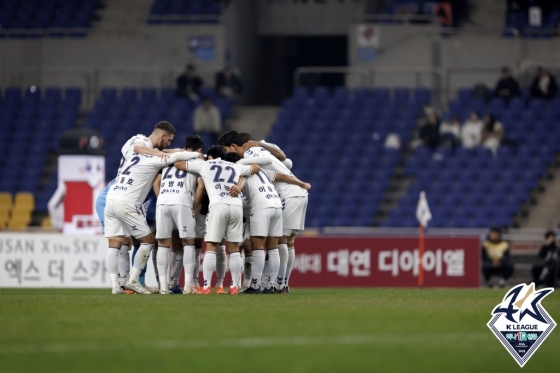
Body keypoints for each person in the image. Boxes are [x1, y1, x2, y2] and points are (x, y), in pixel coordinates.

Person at [104, 122, 200, 294]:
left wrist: (167, 151)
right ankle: (133, 280)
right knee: (148, 241)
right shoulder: (155, 160)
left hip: (111, 199)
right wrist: (198, 155)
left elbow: (141, 149)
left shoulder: (129, 151)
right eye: (169, 140)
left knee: (114, 245)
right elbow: (175, 158)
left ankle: (115, 286)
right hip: (126, 203)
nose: (169, 144)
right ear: (162, 137)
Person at [219, 130, 309, 294]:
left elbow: (271, 160)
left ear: (233, 146)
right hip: (287, 195)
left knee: (271, 243)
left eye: (226, 150)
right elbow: (285, 162)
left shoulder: (248, 158)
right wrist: (302, 184)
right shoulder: (258, 161)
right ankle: (277, 284)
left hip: (284, 196)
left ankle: (270, 285)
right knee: (285, 242)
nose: (226, 154)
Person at [173, 145, 261, 295]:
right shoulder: (234, 166)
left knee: (211, 246)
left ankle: (207, 286)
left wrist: (196, 154)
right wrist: (239, 184)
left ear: (210, 156)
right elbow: (256, 167)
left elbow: (177, 163)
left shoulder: (205, 164)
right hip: (235, 206)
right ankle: (234, 286)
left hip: (217, 205)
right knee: (234, 248)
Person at [153, 135, 205, 295]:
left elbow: (155, 182)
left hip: (162, 201)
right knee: (188, 242)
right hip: (183, 200)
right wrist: (194, 206)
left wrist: (161, 197)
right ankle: (189, 285)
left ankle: (163, 287)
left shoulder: (169, 160)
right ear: (199, 150)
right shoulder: (198, 161)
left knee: (163, 244)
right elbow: (201, 187)